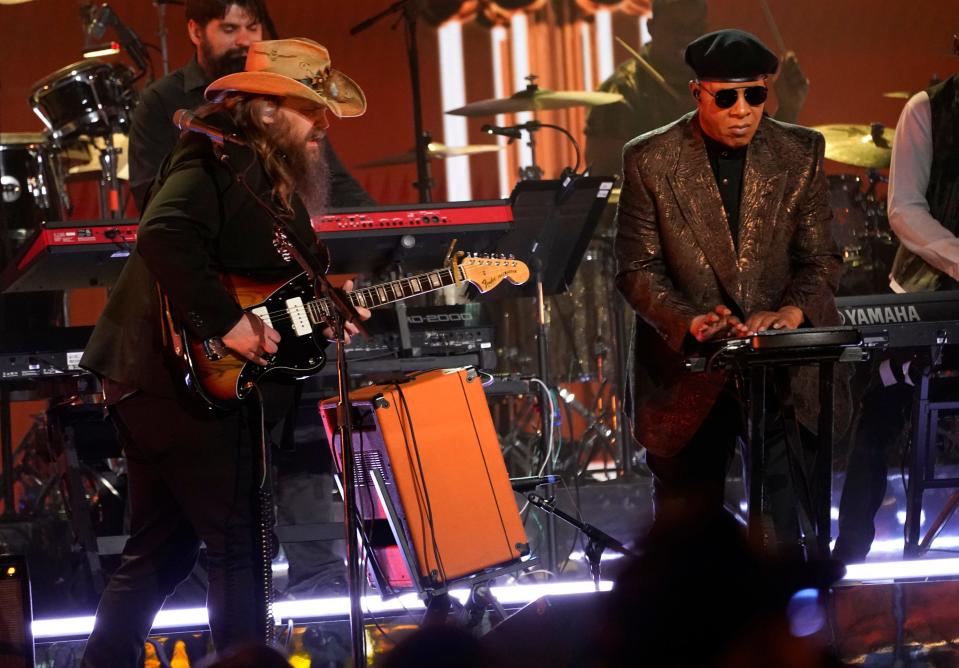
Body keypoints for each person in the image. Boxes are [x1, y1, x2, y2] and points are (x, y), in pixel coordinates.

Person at [79, 38, 370, 667]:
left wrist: (324, 312)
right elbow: (162, 233)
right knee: (241, 543)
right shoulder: (211, 158)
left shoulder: (259, 176)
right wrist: (227, 324)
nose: (323, 123)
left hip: (156, 383)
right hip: (173, 382)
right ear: (264, 111)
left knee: (161, 553)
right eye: (308, 108)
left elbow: (260, 286)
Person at [615, 29, 843, 549]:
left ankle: (793, 624)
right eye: (727, 97)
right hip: (688, 368)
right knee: (686, 541)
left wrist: (790, 313)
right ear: (698, 93)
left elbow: (821, 258)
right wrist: (689, 319)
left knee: (787, 535)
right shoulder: (649, 159)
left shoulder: (800, 151)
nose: (742, 110)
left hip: (778, 373)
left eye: (755, 95)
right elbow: (636, 268)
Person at [833, 31, 959, 562]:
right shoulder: (928, 110)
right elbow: (904, 209)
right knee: (881, 406)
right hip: (928, 288)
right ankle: (850, 549)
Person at [128, 0, 373, 211]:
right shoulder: (160, 101)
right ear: (196, 32)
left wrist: (392, 236)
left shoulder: (288, 97)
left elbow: (336, 184)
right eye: (229, 29)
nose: (244, 41)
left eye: (253, 28)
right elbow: (155, 200)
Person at [585, 0, 810, 180]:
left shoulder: (717, 80)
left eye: (694, 29)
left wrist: (789, 107)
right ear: (651, 28)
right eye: (676, 28)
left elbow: (759, 163)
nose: (685, 38)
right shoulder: (621, 91)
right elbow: (606, 181)